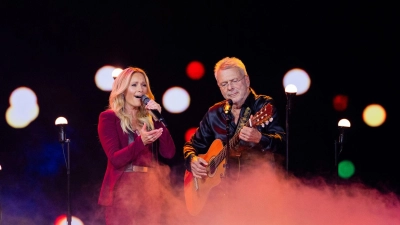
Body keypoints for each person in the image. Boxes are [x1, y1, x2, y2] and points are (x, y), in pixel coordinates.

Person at [183, 57, 285, 218]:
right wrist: (192, 160)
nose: (230, 87)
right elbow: (192, 146)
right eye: (224, 84)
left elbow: (283, 143)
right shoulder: (214, 113)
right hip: (219, 200)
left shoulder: (262, 106)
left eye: (234, 80)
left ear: (246, 80)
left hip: (258, 192)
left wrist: (260, 138)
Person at [97, 67, 176, 225]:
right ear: (123, 90)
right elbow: (116, 159)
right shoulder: (109, 117)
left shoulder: (149, 118)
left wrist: (157, 119)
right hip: (121, 190)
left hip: (149, 190)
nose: (140, 89)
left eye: (143, 85)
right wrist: (142, 141)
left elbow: (169, 153)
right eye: (134, 85)